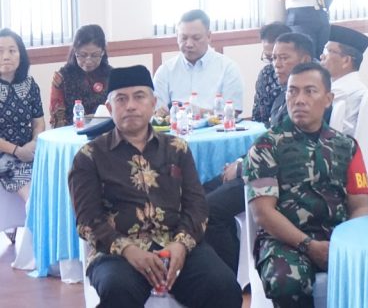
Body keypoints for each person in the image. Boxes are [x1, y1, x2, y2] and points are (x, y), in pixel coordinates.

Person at [68, 65, 242, 308]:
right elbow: (88, 221)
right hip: (117, 253)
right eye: (121, 99)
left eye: (139, 97)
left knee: (222, 287)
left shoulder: (177, 148)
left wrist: (181, 245)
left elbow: (197, 206)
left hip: (177, 245)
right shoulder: (89, 156)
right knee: (118, 290)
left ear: (153, 103)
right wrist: (128, 250)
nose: (130, 105)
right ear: (109, 108)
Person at [245, 62, 368, 308]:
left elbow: (360, 206)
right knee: (287, 281)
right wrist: (309, 246)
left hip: (338, 237)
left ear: (328, 99)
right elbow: (263, 213)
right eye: (292, 91)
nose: (299, 100)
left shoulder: (347, 146)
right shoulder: (266, 146)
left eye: (310, 91)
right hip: (284, 240)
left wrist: (346, 244)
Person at [202, 31, 315, 274]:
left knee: (209, 209)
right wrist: (241, 161)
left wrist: (242, 167)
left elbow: (288, 150)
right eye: (274, 58)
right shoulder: (282, 96)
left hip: (278, 179)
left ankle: (229, 276)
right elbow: (269, 142)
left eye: (284, 58)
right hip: (260, 168)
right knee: (199, 192)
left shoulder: (311, 100)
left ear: (305, 59)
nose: (277, 64)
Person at [153, 9, 244, 112]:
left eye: (196, 38)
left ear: (209, 36)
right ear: (177, 36)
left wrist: (198, 113)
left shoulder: (228, 68)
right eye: (183, 38)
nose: (189, 44)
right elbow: (158, 112)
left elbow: (234, 111)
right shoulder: (165, 71)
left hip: (217, 123)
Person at [0, 29, 43, 200]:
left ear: (21, 55)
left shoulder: (30, 84)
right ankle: (34, 216)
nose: (6, 56)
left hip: (28, 150)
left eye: (12, 50)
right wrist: (17, 151)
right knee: (33, 196)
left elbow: (39, 122)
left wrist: (33, 143)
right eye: (0, 51)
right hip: (4, 155)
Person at [50, 24, 112, 127]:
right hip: (72, 132)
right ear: (75, 51)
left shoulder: (112, 76)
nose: (88, 61)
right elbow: (57, 120)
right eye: (83, 55)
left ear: (102, 52)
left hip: (106, 132)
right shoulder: (61, 78)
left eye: (95, 55)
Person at [322, 25, 368, 138]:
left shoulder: (340, 91)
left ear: (346, 61)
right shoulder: (353, 85)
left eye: (329, 51)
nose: (322, 56)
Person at [252, 22, 293, 124]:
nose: (275, 64)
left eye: (283, 58)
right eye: (271, 58)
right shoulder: (267, 74)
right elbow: (258, 118)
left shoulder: (311, 75)